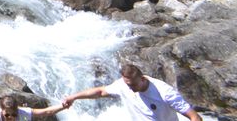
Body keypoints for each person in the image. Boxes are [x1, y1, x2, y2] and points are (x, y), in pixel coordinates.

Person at [61, 63, 203, 120]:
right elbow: (100, 92)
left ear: (142, 79)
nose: (129, 88)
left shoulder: (164, 92)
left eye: (132, 84)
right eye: (127, 84)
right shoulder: (124, 84)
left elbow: (195, 117)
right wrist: (74, 97)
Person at [0, 95, 65, 121]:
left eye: (14, 114)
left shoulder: (24, 112)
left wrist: (64, 106)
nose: (11, 117)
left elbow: (46, 112)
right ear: (2, 111)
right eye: (7, 115)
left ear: (18, 110)